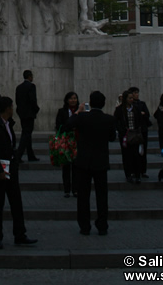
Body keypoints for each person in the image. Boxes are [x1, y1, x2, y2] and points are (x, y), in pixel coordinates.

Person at [0, 95, 37, 250]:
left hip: (10, 170)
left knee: (16, 204)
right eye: (12, 107)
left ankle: (20, 234)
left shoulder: (7, 124)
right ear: (7, 108)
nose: (13, 109)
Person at [66, 91, 116, 236]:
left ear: (90, 103)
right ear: (104, 103)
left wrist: (78, 112)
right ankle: (102, 225)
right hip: (101, 162)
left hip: (83, 162)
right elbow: (112, 137)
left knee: (83, 196)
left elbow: (68, 125)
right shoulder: (109, 119)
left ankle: (84, 226)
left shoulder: (82, 118)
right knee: (102, 196)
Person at [114, 89, 143, 183]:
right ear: (125, 99)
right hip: (125, 135)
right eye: (130, 98)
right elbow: (116, 121)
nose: (132, 99)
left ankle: (137, 174)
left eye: (132, 98)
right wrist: (122, 131)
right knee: (126, 156)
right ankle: (128, 174)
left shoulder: (136, 108)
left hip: (135, 134)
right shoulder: (119, 110)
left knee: (136, 155)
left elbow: (140, 120)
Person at [55, 91, 79, 197]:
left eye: (75, 98)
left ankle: (75, 189)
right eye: (71, 98)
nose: (73, 100)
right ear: (67, 100)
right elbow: (58, 125)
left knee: (76, 167)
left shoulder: (80, 111)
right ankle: (66, 189)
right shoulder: (62, 111)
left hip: (77, 141)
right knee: (65, 167)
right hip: (65, 141)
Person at [15, 70, 40, 162]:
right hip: (29, 113)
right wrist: (36, 109)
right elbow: (32, 99)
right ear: (29, 76)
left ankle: (30, 155)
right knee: (26, 134)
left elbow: (17, 100)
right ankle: (18, 155)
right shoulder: (31, 86)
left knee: (26, 133)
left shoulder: (19, 87)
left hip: (22, 114)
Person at [128, 87, 152, 178]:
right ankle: (134, 170)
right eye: (135, 93)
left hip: (143, 130)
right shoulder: (130, 105)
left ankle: (143, 170)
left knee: (143, 151)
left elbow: (147, 114)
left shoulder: (142, 103)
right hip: (133, 131)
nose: (137, 94)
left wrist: (143, 114)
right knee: (134, 152)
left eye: (137, 92)